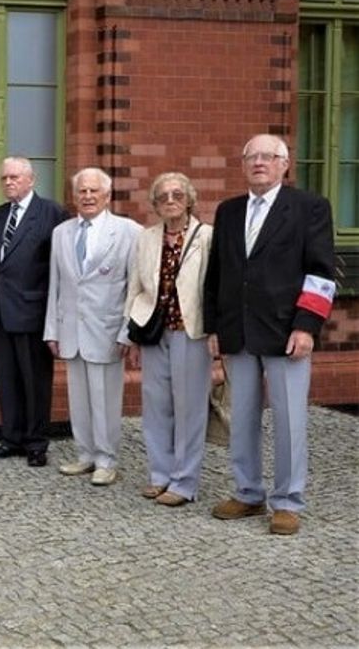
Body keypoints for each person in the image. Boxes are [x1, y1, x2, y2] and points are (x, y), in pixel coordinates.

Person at [204, 134, 335, 535]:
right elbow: (216, 275)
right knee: (241, 416)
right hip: (238, 331)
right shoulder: (228, 211)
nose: (260, 162)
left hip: (286, 332)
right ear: (243, 165)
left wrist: (306, 326)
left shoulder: (309, 208)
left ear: (284, 164)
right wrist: (214, 328)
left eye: (269, 156)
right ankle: (247, 492)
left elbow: (320, 272)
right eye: (252, 157)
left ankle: (287, 500)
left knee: (289, 419)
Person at [44, 167, 141, 486]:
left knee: (105, 398)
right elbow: (55, 286)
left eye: (93, 191)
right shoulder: (62, 233)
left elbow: (134, 287)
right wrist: (52, 330)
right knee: (79, 397)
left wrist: (128, 330)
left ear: (107, 195)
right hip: (71, 328)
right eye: (81, 191)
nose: (87, 196)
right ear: (74, 196)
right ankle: (85, 454)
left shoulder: (129, 232)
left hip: (108, 329)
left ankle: (106, 458)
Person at [125, 172, 213, 506]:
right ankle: (160, 474)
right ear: (155, 204)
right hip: (153, 330)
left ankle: (184, 482)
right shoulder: (146, 238)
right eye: (163, 197)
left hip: (191, 331)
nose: (170, 201)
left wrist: (217, 332)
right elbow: (134, 288)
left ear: (190, 199)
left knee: (189, 407)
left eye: (177, 195)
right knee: (155, 405)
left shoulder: (207, 237)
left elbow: (214, 288)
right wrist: (130, 335)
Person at [0, 156, 67, 467]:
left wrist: (58, 314)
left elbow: (61, 266)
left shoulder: (51, 213)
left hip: (34, 311)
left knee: (35, 381)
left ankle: (36, 443)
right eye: (4, 178)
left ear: (31, 180)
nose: (8, 182)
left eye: (14, 177)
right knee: (7, 380)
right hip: (1, 312)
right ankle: (11, 438)